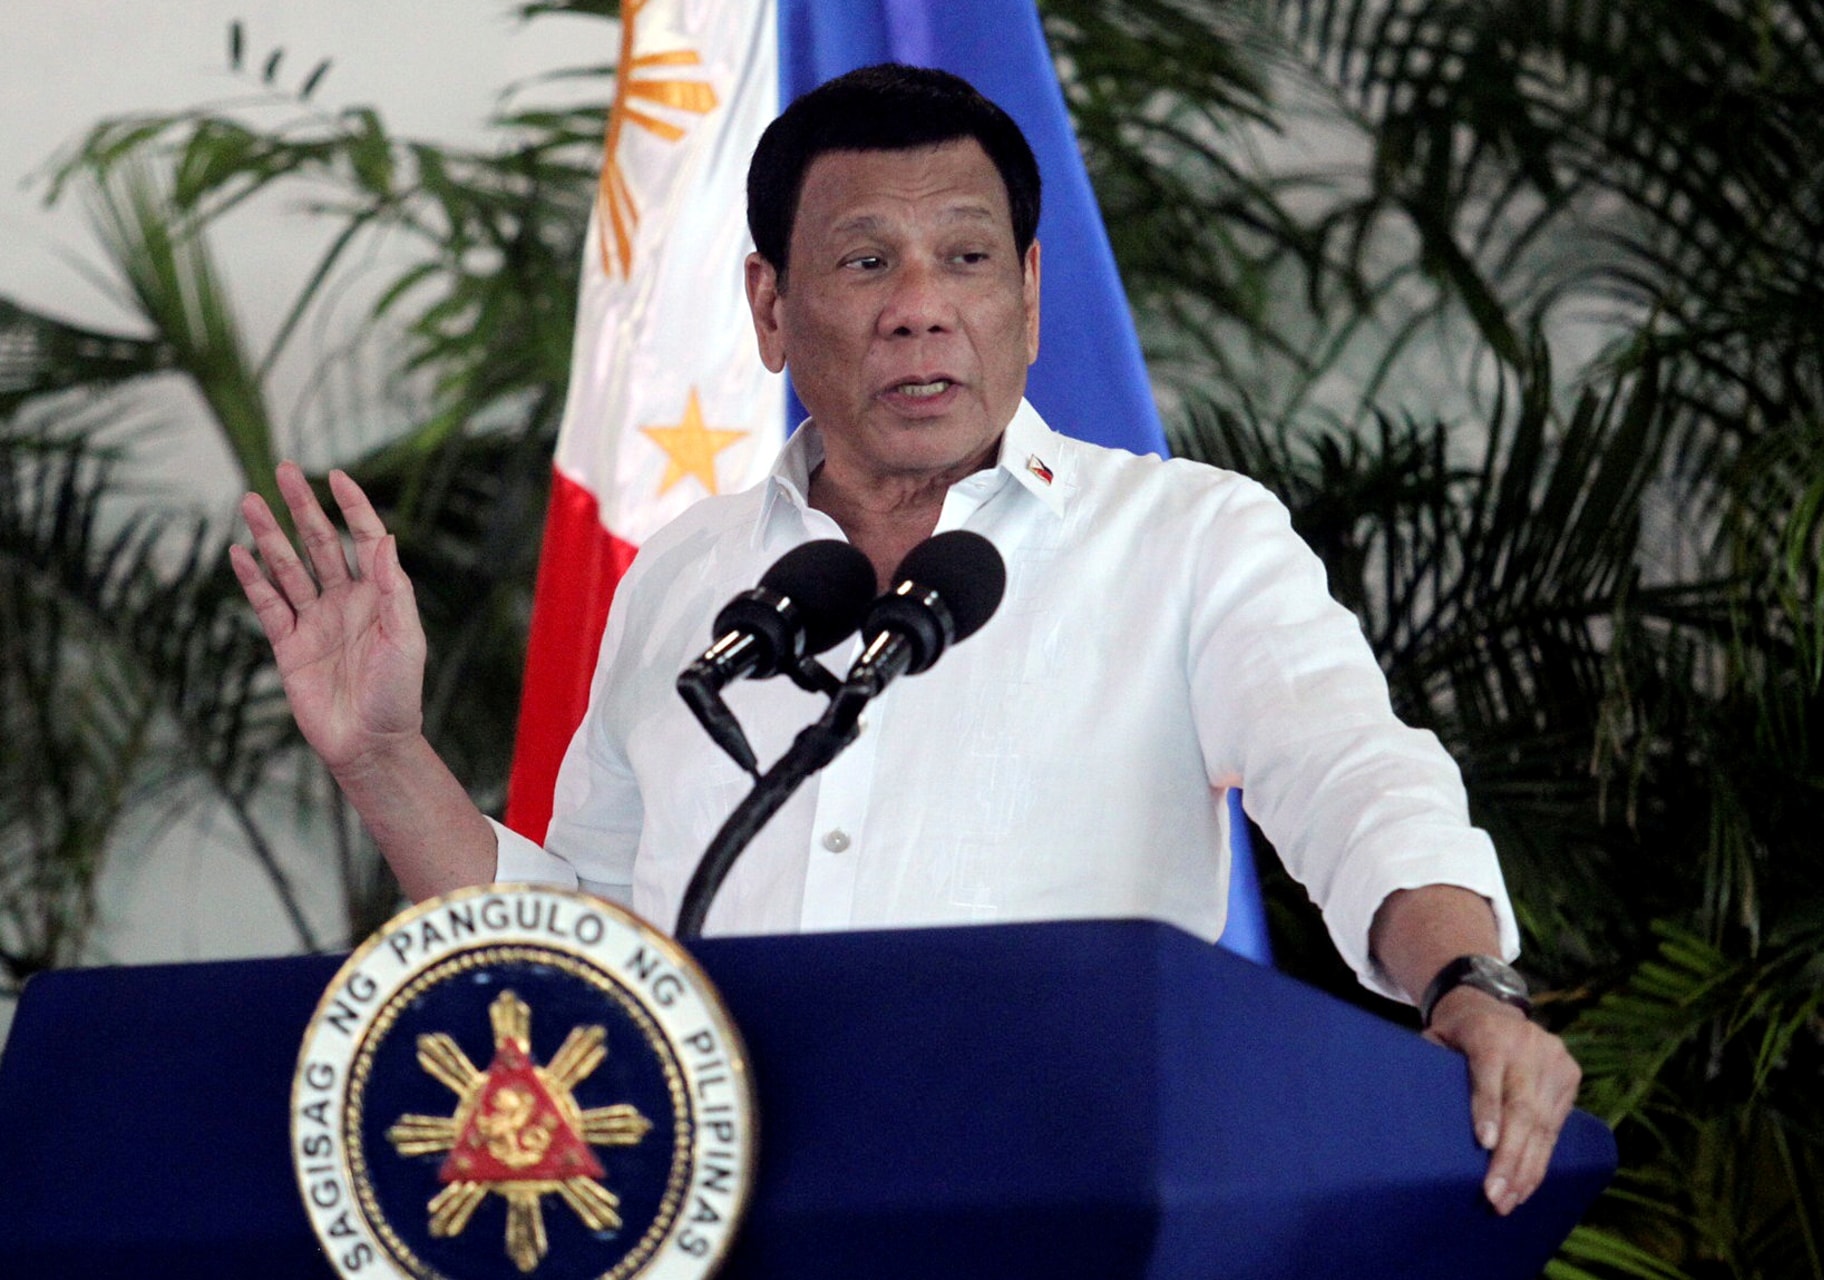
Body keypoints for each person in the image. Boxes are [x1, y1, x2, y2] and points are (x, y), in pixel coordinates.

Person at [232, 64, 1578, 1216]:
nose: (920, 305)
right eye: (866, 260)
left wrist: (1466, 982)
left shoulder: (1186, 538)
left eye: (968, 258)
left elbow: (1351, 774)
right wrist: (385, 756)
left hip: (1059, 1211)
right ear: (771, 308)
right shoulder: (683, 583)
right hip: (732, 1226)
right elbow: (591, 955)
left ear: (1031, 293)